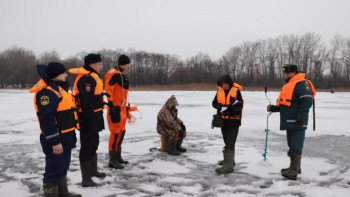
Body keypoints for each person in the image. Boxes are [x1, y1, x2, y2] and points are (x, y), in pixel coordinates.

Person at [29, 62, 81, 197]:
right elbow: (46, 119)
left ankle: (64, 194)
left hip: (66, 136)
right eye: (63, 72)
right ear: (56, 75)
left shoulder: (60, 90)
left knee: (62, 167)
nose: (66, 74)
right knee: (53, 171)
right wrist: (54, 141)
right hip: (56, 138)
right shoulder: (47, 93)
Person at [267, 64, 315, 180]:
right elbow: (287, 104)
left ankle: (293, 171)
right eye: (286, 73)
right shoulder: (290, 85)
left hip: (298, 121)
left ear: (295, 73)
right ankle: (294, 168)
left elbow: (307, 102)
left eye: (289, 73)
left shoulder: (303, 84)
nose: (287, 75)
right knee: (292, 145)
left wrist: (300, 118)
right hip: (290, 120)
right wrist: (274, 108)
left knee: (296, 145)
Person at [69, 53, 106, 187]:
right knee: (86, 146)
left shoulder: (94, 76)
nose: (100, 67)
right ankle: (86, 179)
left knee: (94, 143)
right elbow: (85, 102)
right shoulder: (87, 79)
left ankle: (92, 171)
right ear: (91, 65)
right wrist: (90, 120)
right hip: (87, 117)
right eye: (98, 64)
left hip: (95, 115)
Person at [104, 54, 132, 169]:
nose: (129, 66)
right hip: (115, 109)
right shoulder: (113, 73)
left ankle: (118, 157)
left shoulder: (121, 74)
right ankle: (112, 160)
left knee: (122, 131)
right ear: (124, 63)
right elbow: (108, 89)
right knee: (115, 133)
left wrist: (126, 107)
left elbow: (122, 94)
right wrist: (111, 104)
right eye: (128, 64)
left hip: (122, 109)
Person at [212, 75, 243, 174]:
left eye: (225, 84)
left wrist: (229, 108)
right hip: (223, 121)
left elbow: (239, 105)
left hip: (234, 121)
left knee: (230, 141)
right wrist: (220, 106)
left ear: (229, 83)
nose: (224, 86)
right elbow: (214, 103)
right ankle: (229, 161)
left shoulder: (236, 91)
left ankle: (228, 167)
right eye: (222, 84)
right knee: (226, 141)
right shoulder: (219, 91)